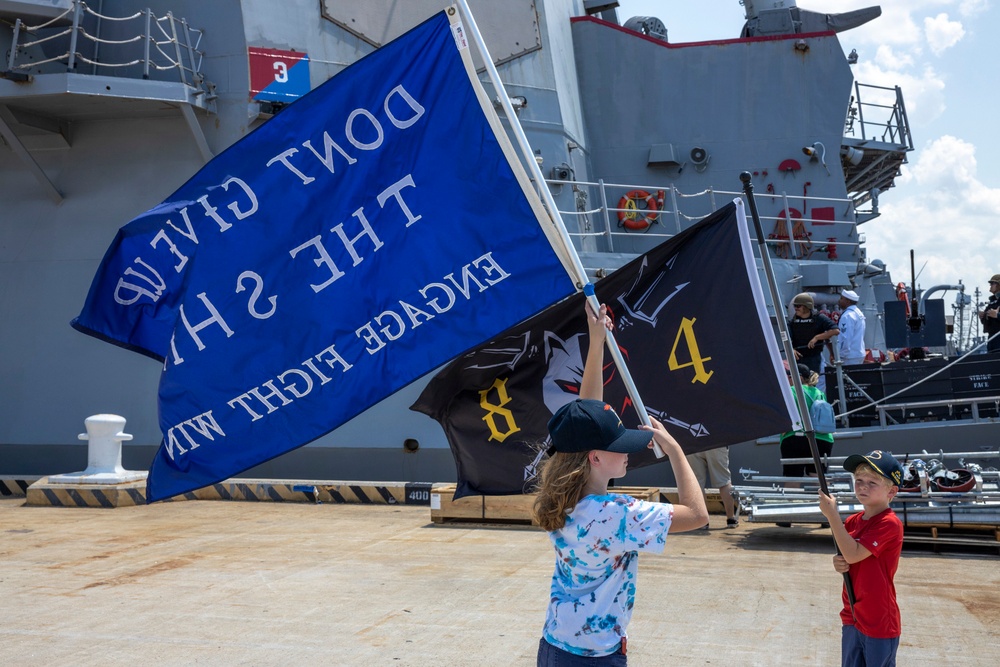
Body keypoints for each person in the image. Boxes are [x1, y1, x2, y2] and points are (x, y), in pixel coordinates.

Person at [533, 303, 708, 665]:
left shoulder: (565, 499)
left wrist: (596, 341)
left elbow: (587, 413)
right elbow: (697, 514)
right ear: (594, 458)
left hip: (555, 645)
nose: (629, 452)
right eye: (619, 447)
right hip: (594, 657)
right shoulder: (615, 515)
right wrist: (676, 451)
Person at [818, 450, 904, 667]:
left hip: (878, 620)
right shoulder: (854, 521)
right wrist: (839, 563)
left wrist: (832, 516)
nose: (863, 486)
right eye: (859, 480)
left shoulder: (889, 523)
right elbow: (847, 556)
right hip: (852, 614)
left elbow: (854, 553)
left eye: (873, 482)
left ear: (891, 491)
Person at [779, 363, 834, 487]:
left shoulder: (790, 391)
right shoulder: (819, 393)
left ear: (798, 377)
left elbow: (784, 420)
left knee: (792, 479)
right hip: (822, 439)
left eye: (788, 376)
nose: (786, 379)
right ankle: (827, 504)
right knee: (819, 478)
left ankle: (792, 505)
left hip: (794, 438)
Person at [788, 292, 839, 387]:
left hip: (814, 358)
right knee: (797, 385)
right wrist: (790, 348)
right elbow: (785, 335)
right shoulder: (792, 322)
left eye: (798, 306)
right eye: (795, 306)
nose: (795, 308)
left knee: (813, 384)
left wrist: (817, 337)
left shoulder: (819, 318)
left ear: (807, 306)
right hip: (798, 359)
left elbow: (835, 330)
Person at [686, 447, 739, 528]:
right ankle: (731, 519)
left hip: (693, 442)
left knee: (697, 483)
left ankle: (702, 521)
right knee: (724, 481)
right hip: (716, 442)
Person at [837, 289, 866, 366]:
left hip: (849, 357)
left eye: (841, 299)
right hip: (858, 354)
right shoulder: (858, 313)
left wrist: (840, 355)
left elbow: (845, 337)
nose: (839, 301)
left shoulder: (847, 316)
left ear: (848, 301)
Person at [978, 273, 1000, 353]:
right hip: (992, 339)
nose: (990, 286)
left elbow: (996, 316)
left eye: (992, 283)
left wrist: (997, 315)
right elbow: (988, 322)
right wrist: (983, 317)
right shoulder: (992, 302)